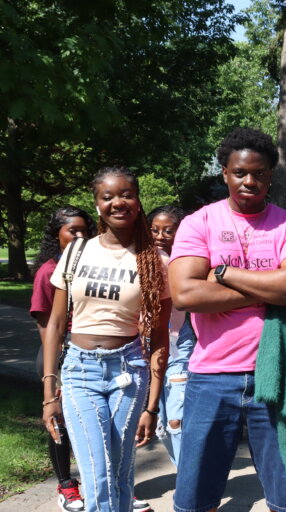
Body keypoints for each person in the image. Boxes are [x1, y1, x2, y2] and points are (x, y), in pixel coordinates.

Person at [168, 127, 286, 512]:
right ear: (225, 173)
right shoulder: (198, 223)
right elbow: (186, 294)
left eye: (260, 173)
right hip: (211, 377)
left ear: (271, 175)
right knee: (194, 499)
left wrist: (224, 273)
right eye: (240, 172)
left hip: (279, 377)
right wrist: (271, 288)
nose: (250, 181)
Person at [41, 166, 171, 512]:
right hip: (79, 371)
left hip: (128, 370)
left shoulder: (156, 262)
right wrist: (48, 391)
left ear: (138, 201)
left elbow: (159, 338)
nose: (118, 202)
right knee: (98, 473)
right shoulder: (77, 251)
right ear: (97, 204)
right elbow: (55, 324)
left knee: (120, 469)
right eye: (108, 196)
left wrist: (152, 406)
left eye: (126, 194)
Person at [30, 206, 93, 512]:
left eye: (85, 230)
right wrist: (53, 374)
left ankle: (102, 483)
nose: (79, 236)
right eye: (72, 230)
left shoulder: (96, 264)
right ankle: (67, 486)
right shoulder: (48, 271)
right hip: (58, 356)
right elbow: (46, 327)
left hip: (91, 353)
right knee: (60, 424)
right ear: (58, 235)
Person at [147, 205, 197, 466]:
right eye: (155, 229)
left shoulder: (185, 261)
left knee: (177, 419)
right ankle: (185, 472)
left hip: (179, 344)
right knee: (163, 425)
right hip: (146, 348)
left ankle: (190, 481)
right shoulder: (142, 259)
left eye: (168, 230)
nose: (160, 235)